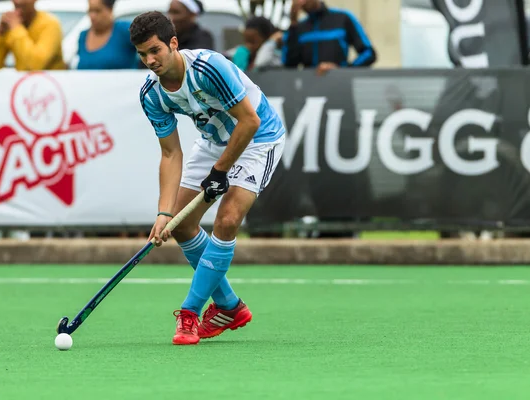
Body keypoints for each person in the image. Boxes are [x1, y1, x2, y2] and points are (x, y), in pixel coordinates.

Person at [130, 11, 286, 345]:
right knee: (181, 225)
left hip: (258, 139)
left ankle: (190, 313)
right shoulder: (151, 94)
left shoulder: (209, 67)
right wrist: (163, 212)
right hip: (214, 142)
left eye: (155, 50)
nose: (150, 60)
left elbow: (249, 121)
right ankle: (230, 305)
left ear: (173, 43)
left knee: (227, 219)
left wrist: (220, 171)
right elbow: (171, 154)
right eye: (143, 54)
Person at [283, 0, 376, 75]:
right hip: (309, 90)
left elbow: (369, 53)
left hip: (340, 87)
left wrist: (342, 71)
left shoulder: (343, 18)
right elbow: (289, 65)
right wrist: (293, 23)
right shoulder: (298, 28)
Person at [0, 0, 66, 71]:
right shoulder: (13, 24)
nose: (18, 1)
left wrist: (16, 28)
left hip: (50, 86)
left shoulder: (50, 24)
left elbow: (36, 65)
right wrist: (0, 33)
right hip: (24, 85)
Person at [75, 0, 137, 70]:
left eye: (97, 11)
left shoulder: (125, 31)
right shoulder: (83, 36)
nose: (92, 16)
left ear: (110, 9)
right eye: (90, 11)